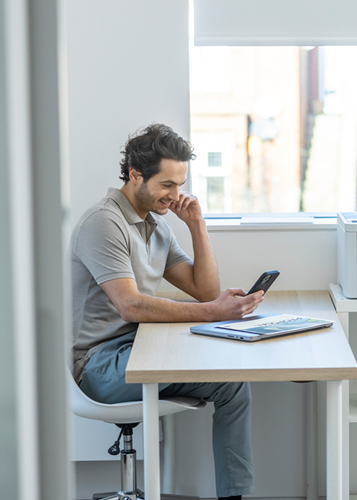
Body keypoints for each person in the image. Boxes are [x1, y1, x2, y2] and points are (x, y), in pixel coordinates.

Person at [71, 124, 264, 500]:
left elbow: (204, 289)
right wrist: (212, 313)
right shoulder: (102, 223)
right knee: (230, 381)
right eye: (166, 185)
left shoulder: (155, 226)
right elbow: (131, 305)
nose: (175, 195)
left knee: (232, 376)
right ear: (135, 175)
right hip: (100, 366)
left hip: (140, 348)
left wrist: (196, 225)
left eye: (180, 184)